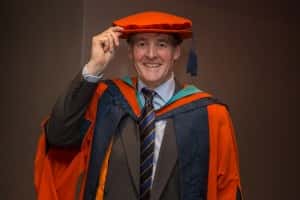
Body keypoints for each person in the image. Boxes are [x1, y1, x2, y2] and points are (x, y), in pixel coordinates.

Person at [34, 11, 243, 200]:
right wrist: (93, 68)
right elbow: (58, 134)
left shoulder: (209, 114)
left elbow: (227, 188)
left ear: (176, 52)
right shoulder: (107, 99)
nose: (151, 54)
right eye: (142, 44)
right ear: (130, 52)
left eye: (162, 44)